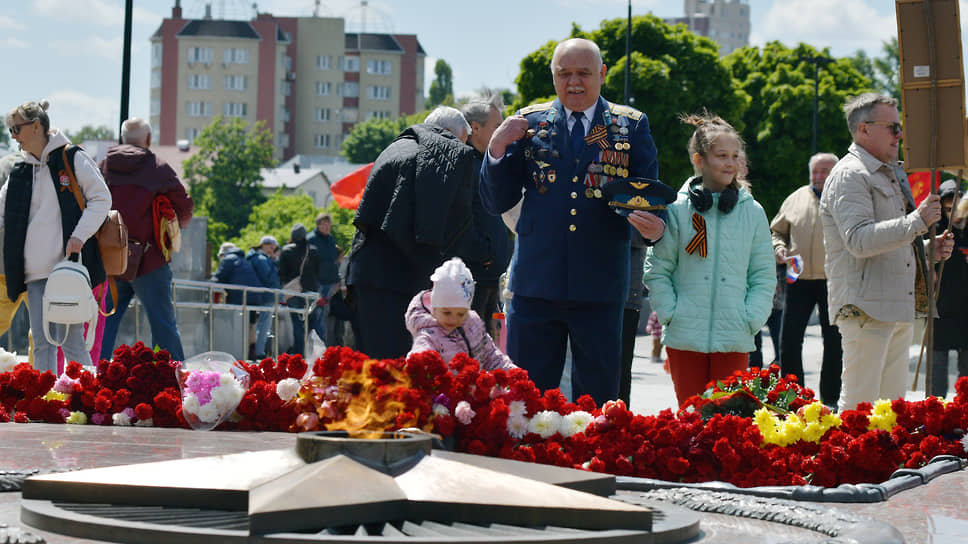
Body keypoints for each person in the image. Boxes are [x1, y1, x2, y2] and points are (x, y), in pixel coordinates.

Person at [480, 38, 664, 404]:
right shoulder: (530, 123)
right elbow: (494, 201)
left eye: (583, 73)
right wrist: (497, 149)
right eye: (565, 74)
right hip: (535, 284)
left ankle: (588, 464)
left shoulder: (629, 126)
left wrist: (656, 228)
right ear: (553, 77)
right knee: (526, 400)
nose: (574, 82)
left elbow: (651, 200)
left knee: (597, 400)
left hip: (600, 286)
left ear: (602, 74)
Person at [820, 93, 954, 412]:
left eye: (900, 127)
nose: (900, 135)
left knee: (890, 412)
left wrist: (926, 249)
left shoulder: (888, 172)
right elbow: (859, 240)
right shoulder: (851, 173)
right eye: (893, 127)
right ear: (864, 129)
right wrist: (917, 221)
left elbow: (892, 242)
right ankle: (851, 464)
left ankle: (884, 465)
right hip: (866, 308)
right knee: (859, 410)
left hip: (892, 305)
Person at [643, 113, 775, 407]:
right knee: (690, 420)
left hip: (734, 336)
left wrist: (750, 319)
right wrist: (670, 314)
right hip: (683, 337)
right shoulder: (676, 210)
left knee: (727, 427)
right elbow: (658, 269)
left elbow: (764, 275)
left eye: (735, 156)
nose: (730, 163)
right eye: (721, 156)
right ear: (699, 160)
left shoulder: (753, 212)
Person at [346, 106, 478, 360]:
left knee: (373, 368)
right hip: (403, 280)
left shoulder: (397, 146)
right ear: (450, 134)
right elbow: (442, 224)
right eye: (462, 141)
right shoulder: (444, 149)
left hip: (366, 273)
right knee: (404, 373)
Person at [1, 100, 111, 373]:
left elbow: (102, 198)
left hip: (68, 269)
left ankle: (85, 401)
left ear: (36, 126)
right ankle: (48, 402)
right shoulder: (20, 171)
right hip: (34, 273)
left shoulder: (72, 158)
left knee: (72, 341)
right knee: (42, 342)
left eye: (16, 129)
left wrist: (78, 237)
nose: (13, 136)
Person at [99, 118, 193, 362]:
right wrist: (174, 227)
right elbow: (184, 206)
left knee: (103, 324)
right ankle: (170, 382)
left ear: (122, 139)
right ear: (148, 139)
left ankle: (95, 379)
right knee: (163, 325)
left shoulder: (105, 166)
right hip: (150, 260)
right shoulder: (157, 167)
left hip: (111, 260)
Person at [770, 152, 843, 405]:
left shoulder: (844, 197)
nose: (819, 176)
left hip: (834, 279)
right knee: (788, 340)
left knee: (835, 342)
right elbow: (777, 231)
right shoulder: (795, 198)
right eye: (816, 171)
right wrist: (779, 248)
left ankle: (831, 399)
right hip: (797, 278)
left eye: (825, 171)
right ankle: (794, 398)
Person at [460, 93, 512, 336]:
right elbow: (462, 219)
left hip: (493, 274)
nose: (502, 132)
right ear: (475, 128)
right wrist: (485, 254)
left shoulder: (487, 163)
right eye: (497, 126)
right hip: (476, 275)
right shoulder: (464, 165)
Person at [405, 257, 516, 371]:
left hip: (475, 386)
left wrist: (512, 372)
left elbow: (491, 356)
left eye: (461, 314)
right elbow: (417, 364)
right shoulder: (429, 336)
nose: (453, 319)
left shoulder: (473, 325)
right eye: (447, 313)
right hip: (447, 388)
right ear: (434, 308)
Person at [931, 181, 967, 397]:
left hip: (966, 307)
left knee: (966, 370)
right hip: (940, 305)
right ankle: (937, 408)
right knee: (937, 364)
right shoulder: (933, 229)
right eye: (946, 208)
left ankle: (964, 411)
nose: (952, 213)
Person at [279, 223, 321, 356]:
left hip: (293, 292)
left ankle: (299, 354)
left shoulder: (286, 251)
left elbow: (281, 273)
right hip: (311, 291)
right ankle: (313, 353)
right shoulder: (313, 250)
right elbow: (319, 272)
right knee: (312, 323)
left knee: (297, 324)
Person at [306, 213, 340, 343]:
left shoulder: (331, 239)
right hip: (317, 283)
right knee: (316, 315)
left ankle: (319, 345)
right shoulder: (311, 239)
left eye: (328, 224)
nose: (327, 227)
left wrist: (337, 281)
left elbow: (334, 261)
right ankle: (318, 345)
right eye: (324, 224)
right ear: (318, 225)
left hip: (330, 283)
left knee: (323, 315)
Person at [246, 235, 280, 360]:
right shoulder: (261, 259)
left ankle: (256, 350)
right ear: (263, 245)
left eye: (274, 248)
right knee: (264, 324)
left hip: (258, 295)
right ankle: (259, 352)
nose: (272, 250)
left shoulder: (253, 257)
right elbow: (268, 278)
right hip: (266, 295)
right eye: (270, 247)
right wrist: (274, 264)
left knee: (256, 325)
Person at [212, 242, 265, 306]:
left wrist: (209, 283)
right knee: (249, 315)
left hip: (241, 297)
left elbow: (219, 278)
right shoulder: (243, 260)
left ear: (223, 254)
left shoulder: (228, 259)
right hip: (256, 296)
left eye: (220, 257)